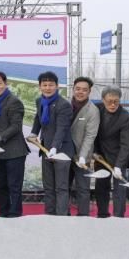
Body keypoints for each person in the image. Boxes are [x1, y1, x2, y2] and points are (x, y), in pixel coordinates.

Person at [0, 71, 29, 218]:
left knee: (14, 187)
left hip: (15, 151)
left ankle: (15, 215)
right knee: (1, 185)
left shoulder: (14, 101)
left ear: (5, 83)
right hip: (1, 151)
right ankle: (2, 214)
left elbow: (16, 126)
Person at [29, 71, 74, 216]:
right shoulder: (39, 101)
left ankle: (62, 218)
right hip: (45, 149)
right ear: (40, 86)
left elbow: (62, 129)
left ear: (57, 86)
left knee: (61, 187)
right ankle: (49, 215)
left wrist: (54, 147)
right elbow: (38, 118)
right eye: (45, 85)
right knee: (48, 187)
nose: (48, 88)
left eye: (51, 85)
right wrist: (34, 133)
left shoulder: (64, 105)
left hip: (62, 150)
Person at [93, 86, 129, 218]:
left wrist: (119, 166)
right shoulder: (96, 110)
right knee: (101, 187)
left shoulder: (126, 117)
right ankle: (102, 214)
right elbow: (91, 132)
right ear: (103, 100)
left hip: (119, 157)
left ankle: (118, 217)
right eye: (109, 101)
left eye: (116, 101)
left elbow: (126, 145)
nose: (112, 104)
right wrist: (94, 151)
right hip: (100, 157)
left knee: (119, 189)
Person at [69, 77, 100, 216]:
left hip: (83, 157)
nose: (80, 92)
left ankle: (83, 217)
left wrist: (82, 156)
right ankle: (62, 216)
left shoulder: (93, 110)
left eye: (84, 90)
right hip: (65, 155)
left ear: (89, 92)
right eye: (78, 89)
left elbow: (90, 136)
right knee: (63, 188)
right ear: (73, 89)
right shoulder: (65, 105)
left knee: (83, 189)